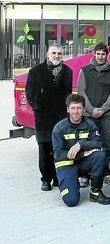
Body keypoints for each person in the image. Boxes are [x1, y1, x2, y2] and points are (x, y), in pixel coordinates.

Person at [25, 43, 72, 191]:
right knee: (44, 148)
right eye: (54, 53)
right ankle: (46, 179)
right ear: (47, 54)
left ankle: (58, 177)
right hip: (43, 117)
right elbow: (30, 93)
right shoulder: (35, 71)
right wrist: (36, 107)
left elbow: (68, 95)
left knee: (58, 147)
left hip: (60, 117)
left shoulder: (67, 72)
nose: (56, 56)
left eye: (59, 53)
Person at [51, 94, 110, 206]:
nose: (76, 111)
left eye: (79, 108)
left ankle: (95, 192)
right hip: (66, 165)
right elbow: (58, 155)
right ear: (68, 109)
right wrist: (83, 154)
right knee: (71, 201)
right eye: (73, 108)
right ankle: (72, 183)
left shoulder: (90, 124)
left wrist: (81, 144)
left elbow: (99, 143)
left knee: (99, 155)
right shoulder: (59, 128)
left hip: (83, 164)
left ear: (84, 110)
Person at [77, 42, 110, 145]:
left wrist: (103, 109)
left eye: (103, 54)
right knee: (87, 142)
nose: (100, 57)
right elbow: (81, 91)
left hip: (105, 115)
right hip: (88, 114)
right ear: (94, 54)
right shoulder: (84, 70)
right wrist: (91, 109)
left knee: (109, 143)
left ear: (106, 55)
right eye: (98, 54)